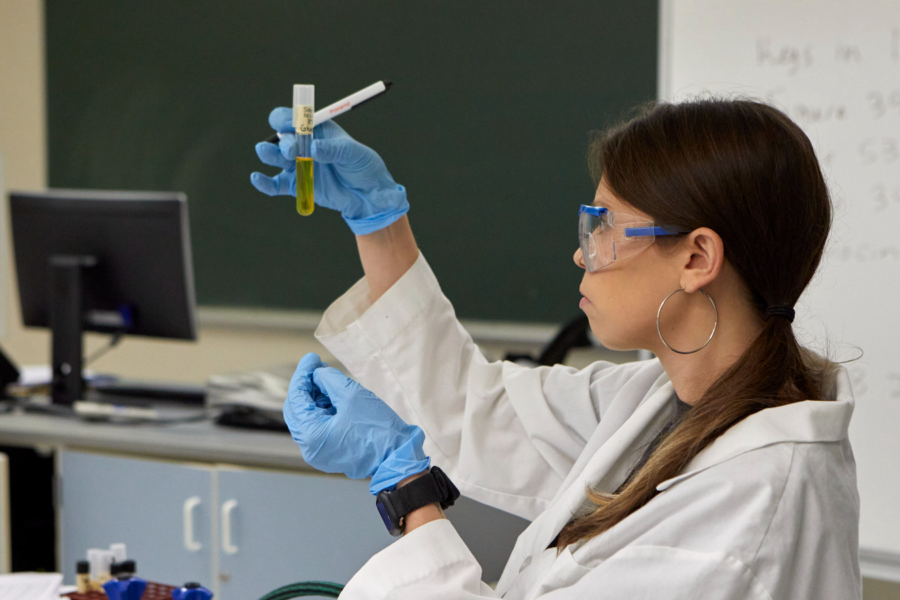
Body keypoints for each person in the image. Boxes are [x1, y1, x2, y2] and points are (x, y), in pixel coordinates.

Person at [251, 99, 860, 599]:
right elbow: (475, 406)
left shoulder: (745, 510)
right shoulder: (665, 400)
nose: (582, 252)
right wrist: (378, 223)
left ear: (697, 259)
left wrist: (409, 494)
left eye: (605, 227)